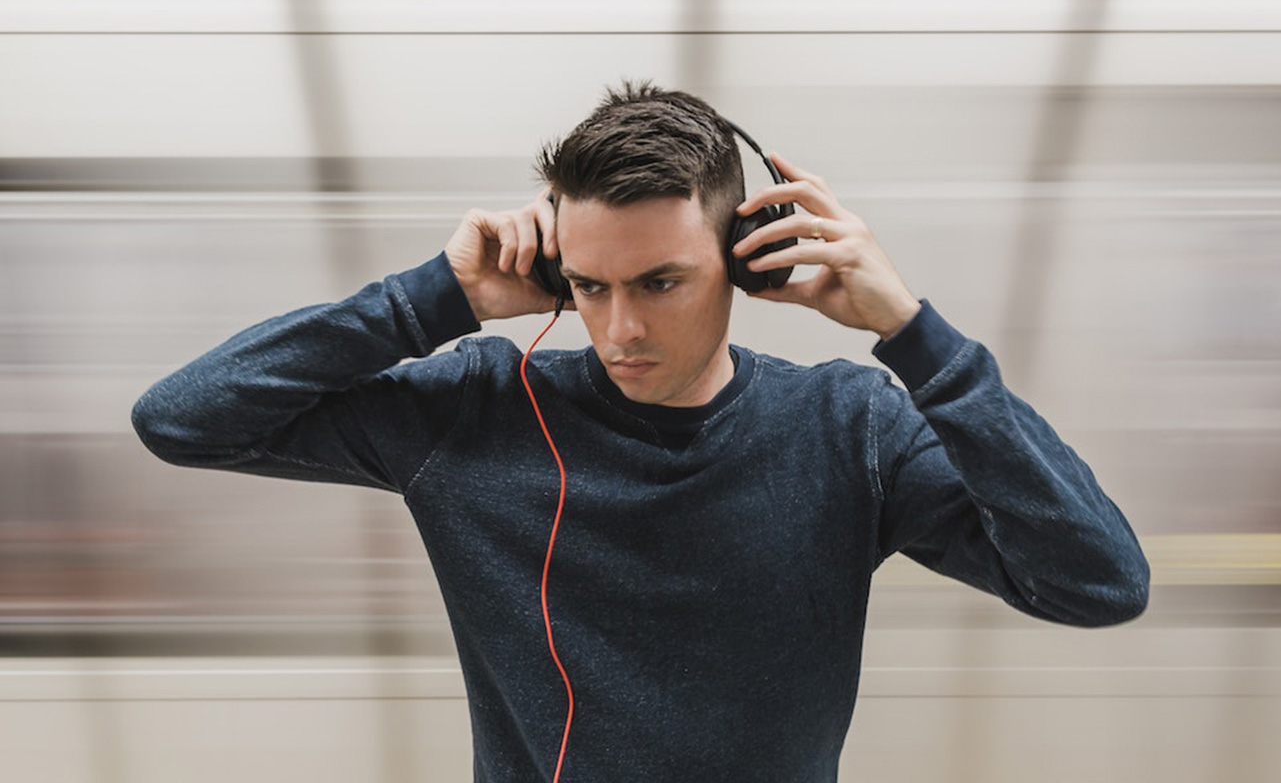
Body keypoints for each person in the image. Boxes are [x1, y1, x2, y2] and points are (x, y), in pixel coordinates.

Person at [132, 81, 1150, 783]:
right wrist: (430, 297)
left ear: (750, 258)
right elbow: (182, 417)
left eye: (661, 281)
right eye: (587, 285)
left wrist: (913, 334)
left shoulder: (851, 427)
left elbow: (1097, 580)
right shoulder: (480, 405)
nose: (620, 327)